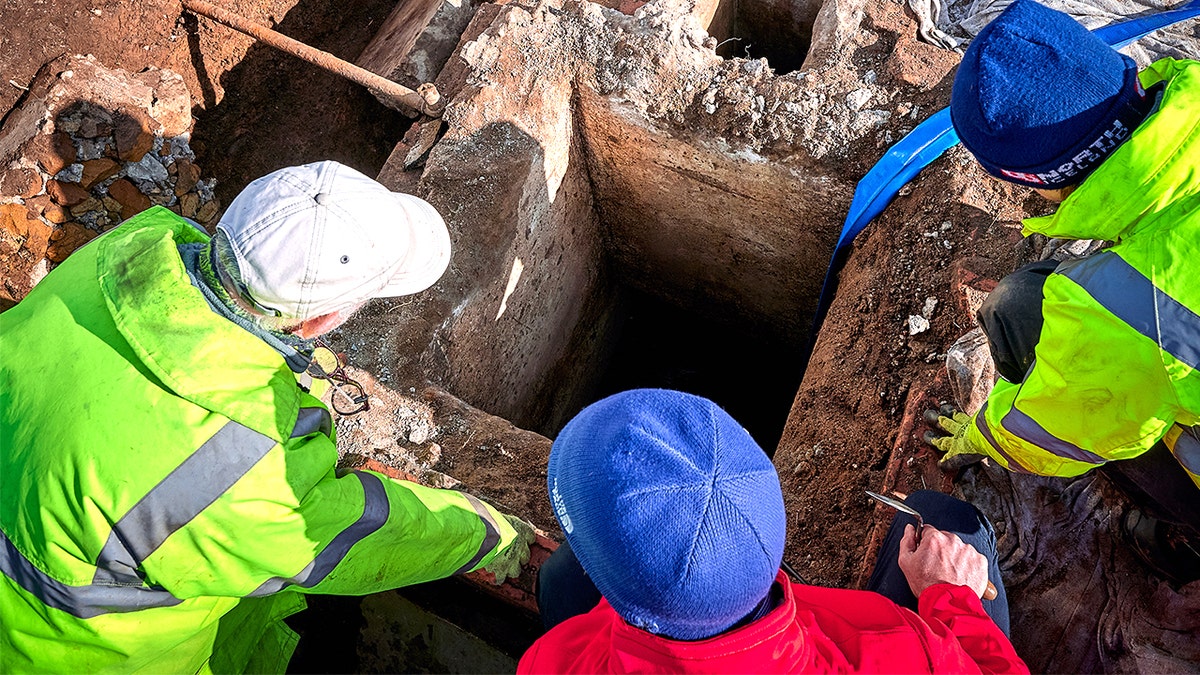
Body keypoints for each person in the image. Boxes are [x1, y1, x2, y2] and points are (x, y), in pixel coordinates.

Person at [0, 160, 533, 673]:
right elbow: (356, 534)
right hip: (66, 656)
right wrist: (489, 536)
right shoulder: (241, 468)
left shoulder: (124, 251)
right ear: (320, 321)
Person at [926, 0, 1200, 582]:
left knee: (1023, 311)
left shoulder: (1126, 309)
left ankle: (1192, 528)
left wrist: (980, 434)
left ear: (1036, 180)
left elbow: (1053, 431)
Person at [520, 388, 1027, 673]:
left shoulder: (554, 663)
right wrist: (953, 598)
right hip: (795, 643)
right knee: (948, 519)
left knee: (563, 578)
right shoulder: (905, 653)